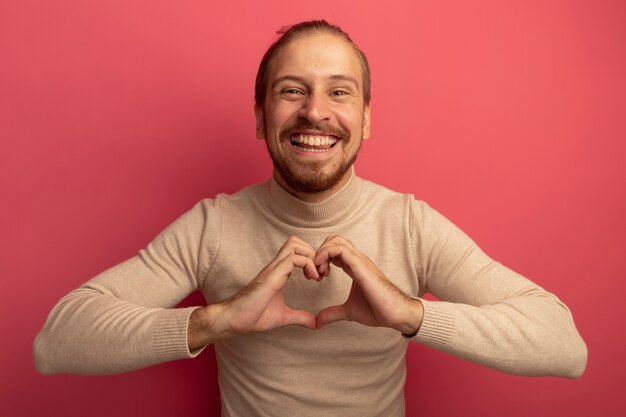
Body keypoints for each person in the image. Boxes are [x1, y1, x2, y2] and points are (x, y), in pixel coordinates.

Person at [34, 20, 587, 417]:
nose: (315, 111)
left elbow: (564, 346)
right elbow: (57, 341)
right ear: (260, 117)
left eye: (338, 92)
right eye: (291, 91)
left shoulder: (410, 225)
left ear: (366, 119)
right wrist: (220, 319)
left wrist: (410, 314)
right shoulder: (213, 226)